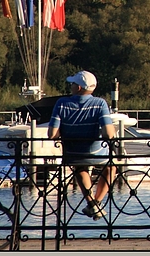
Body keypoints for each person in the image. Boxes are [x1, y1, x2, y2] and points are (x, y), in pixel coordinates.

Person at [48, 70, 117, 220]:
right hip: (95, 151)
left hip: (72, 153)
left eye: (72, 84)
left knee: (80, 168)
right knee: (111, 167)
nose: (71, 86)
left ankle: (92, 204)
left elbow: (52, 134)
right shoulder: (100, 103)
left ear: (78, 88)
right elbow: (109, 134)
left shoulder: (61, 103)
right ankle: (97, 202)